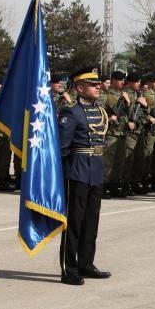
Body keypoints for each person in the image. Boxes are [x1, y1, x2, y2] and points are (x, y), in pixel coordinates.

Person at [57, 67, 112, 285]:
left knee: (91, 221)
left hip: (96, 169)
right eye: (92, 84)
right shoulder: (71, 112)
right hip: (77, 171)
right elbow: (62, 147)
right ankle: (68, 268)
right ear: (80, 87)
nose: (98, 86)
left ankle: (86, 264)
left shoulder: (99, 110)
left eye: (98, 83)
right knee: (74, 223)